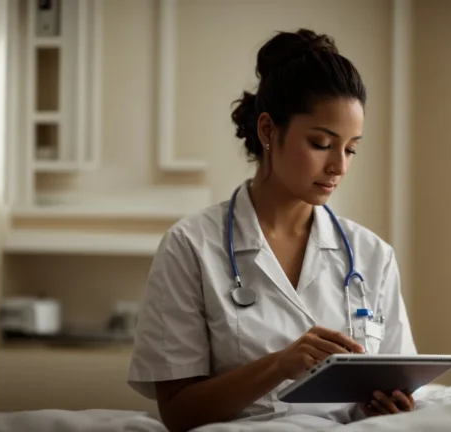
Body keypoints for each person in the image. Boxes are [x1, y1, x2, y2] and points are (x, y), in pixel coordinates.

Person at [127, 29, 417, 432]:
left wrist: (388, 406)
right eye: (321, 143)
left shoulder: (372, 255)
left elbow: (396, 382)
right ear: (267, 131)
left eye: (350, 149)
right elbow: (178, 413)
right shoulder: (191, 245)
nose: (339, 166)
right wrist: (279, 364)